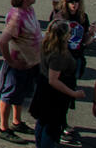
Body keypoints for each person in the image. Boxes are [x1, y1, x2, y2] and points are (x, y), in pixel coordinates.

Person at [0, 0, 43, 143]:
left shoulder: (29, 10)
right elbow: (3, 41)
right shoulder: (17, 16)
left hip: (30, 63)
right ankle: (4, 128)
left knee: (20, 94)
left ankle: (17, 121)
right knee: (9, 95)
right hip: (18, 64)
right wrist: (9, 61)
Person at [29, 20, 87, 148]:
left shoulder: (46, 43)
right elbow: (53, 80)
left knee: (42, 122)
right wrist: (73, 93)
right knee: (51, 127)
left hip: (43, 89)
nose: (70, 35)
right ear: (63, 36)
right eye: (69, 33)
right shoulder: (58, 55)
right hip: (53, 97)